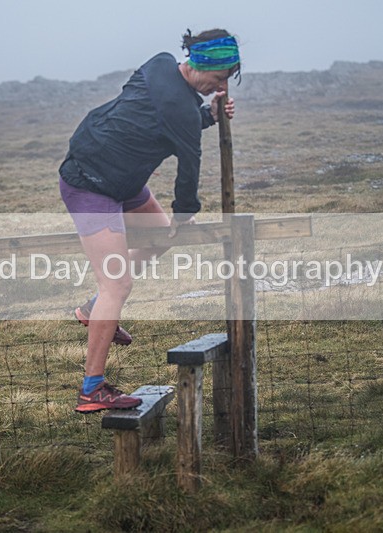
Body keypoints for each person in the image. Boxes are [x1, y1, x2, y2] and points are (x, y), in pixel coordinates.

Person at [59, 29, 240, 413]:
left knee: (160, 236)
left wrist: (204, 115)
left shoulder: (158, 64)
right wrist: (185, 213)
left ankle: (93, 311)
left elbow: (161, 115)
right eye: (220, 77)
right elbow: (188, 170)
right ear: (203, 64)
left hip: (123, 179)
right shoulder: (181, 108)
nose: (219, 86)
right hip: (90, 182)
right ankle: (92, 388)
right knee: (118, 282)